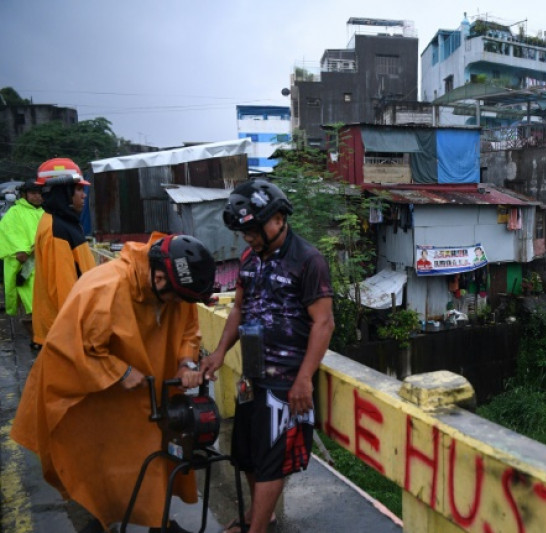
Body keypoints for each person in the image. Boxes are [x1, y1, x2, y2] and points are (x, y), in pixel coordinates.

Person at [10, 233, 217, 532]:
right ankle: (99, 516)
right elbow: (72, 346)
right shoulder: (105, 288)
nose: (177, 303)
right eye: (174, 296)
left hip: (149, 391)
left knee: (158, 452)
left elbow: (188, 327)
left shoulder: (173, 286)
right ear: (158, 278)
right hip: (98, 390)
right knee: (99, 454)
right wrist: (118, 372)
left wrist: (186, 362)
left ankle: (160, 522)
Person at [200, 179, 334, 533]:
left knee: (274, 460)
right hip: (253, 373)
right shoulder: (249, 259)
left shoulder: (308, 260)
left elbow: (324, 323)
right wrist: (218, 354)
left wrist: (304, 377)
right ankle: (261, 516)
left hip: (287, 380)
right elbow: (238, 311)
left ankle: (255, 529)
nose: (249, 239)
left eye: (254, 231)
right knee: (246, 454)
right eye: (244, 233)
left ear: (277, 219)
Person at [31, 157, 97, 348]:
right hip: (67, 336)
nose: (83, 195)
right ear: (62, 192)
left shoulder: (64, 223)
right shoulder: (56, 230)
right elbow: (65, 291)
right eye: (78, 189)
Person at [0, 178, 45, 334]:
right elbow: (9, 233)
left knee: (40, 298)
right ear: (24, 195)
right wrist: (23, 250)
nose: (37, 197)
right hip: (25, 264)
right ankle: (35, 332)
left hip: (42, 262)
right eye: (33, 193)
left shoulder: (43, 212)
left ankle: (39, 331)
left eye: (39, 193)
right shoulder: (15, 212)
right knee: (31, 298)